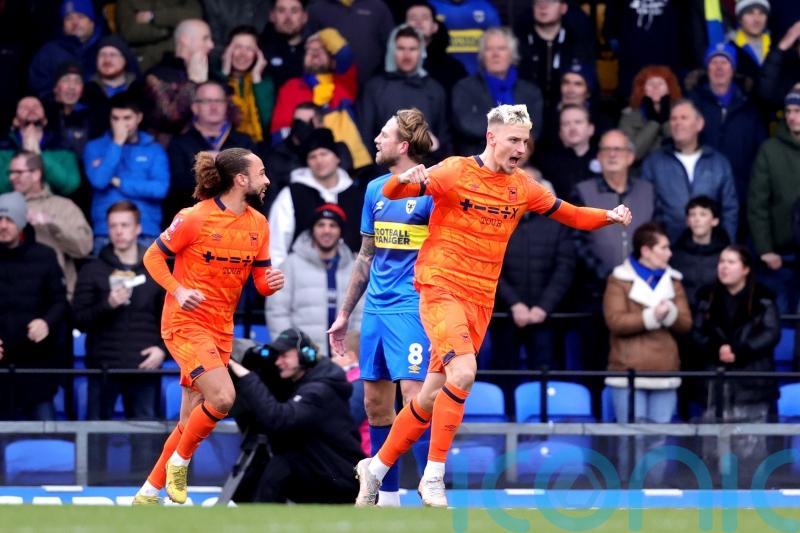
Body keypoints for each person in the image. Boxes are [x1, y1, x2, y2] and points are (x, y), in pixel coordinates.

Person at [352, 103, 632, 507]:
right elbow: (397, 190)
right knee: (464, 372)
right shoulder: (453, 171)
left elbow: (570, 215)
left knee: (430, 395)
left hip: (479, 300)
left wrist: (609, 215)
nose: (520, 148)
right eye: (513, 140)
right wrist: (404, 180)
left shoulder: (523, 187)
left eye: (525, 141)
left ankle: (374, 468)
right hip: (440, 287)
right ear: (492, 137)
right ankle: (433, 477)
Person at [132, 147, 285, 505]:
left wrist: (270, 283)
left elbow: (260, 281)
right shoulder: (194, 217)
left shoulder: (258, 224)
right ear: (241, 179)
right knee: (223, 397)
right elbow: (152, 256)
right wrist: (178, 289)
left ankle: (148, 493)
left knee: (190, 419)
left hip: (221, 327)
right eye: (261, 173)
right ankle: (179, 463)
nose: (267, 180)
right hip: (185, 322)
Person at [328, 109, 435, 507]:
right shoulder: (375, 189)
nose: (376, 139)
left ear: (403, 146)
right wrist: (344, 314)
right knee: (375, 405)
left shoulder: (431, 189)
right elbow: (366, 256)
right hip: (374, 309)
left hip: (413, 307)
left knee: (416, 399)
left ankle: (430, 489)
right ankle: (387, 498)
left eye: (384, 134)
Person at [228, 327, 364, 503]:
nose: (278, 362)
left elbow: (278, 419)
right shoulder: (301, 382)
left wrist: (248, 377)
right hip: (319, 470)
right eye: (277, 356)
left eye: (284, 356)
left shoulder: (319, 390)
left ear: (305, 355)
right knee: (269, 468)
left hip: (339, 478)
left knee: (282, 464)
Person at [603, 222, 691, 482]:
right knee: (631, 436)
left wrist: (670, 313)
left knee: (657, 438)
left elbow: (685, 323)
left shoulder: (673, 280)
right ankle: (628, 496)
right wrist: (653, 315)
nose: (669, 253)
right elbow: (615, 321)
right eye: (664, 248)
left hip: (665, 370)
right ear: (647, 250)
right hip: (627, 371)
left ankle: (653, 495)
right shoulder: (619, 278)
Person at [692, 244, 779, 480]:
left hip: (752, 385)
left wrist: (740, 351)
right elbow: (697, 333)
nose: (724, 267)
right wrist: (716, 349)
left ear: (746, 269)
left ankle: (752, 503)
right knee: (712, 450)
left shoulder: (764, 298)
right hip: (714, 384)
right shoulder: (705, 297)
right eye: (721, 261)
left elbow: (771, 334)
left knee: (751, 451)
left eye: (731, 262)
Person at [72, 200, 165, 420]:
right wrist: (108, 304)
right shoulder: (92, 270)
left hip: (144, 367)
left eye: (125, 225)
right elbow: (78, 319)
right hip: (103, 368)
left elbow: (174, 320)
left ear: (138, 228)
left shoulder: (157, 270)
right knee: (95, 440)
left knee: (145, 442)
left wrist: (162, 350)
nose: (119, 231)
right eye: (113, 226)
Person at [492, 176, 576, 372]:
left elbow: (565, 268)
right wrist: (514, 303)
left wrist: (543, 307)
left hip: (546, 317)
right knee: (504, 374)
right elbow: (489, 265)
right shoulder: (497, 221)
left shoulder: (558, 225)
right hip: (504, 315)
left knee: (546, 376)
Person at [0, 191, 68, 421]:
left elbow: (60, 301)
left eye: (8, 219)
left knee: (44, 436)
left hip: (36, 366)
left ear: (20, 221)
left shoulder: (45, 256)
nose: (2, 225)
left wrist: (46, 322)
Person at [266, 203, 362, 356]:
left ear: (341, 231)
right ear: (312, 229)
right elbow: (277, 312)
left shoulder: (354, 267)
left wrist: (353, 351)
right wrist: (291, 351)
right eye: (321, 225)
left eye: (333, 225)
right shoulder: (290, 264)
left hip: (344, 358)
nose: (327, 230)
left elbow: (361, 314)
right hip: (303, 359)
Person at [269, 28, 371, 169]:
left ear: (332, 61)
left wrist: (322, 36)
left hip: (349, 164)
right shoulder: (291, 87)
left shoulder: (343, 82)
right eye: (310, 50)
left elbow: (344, 52)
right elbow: (280, 131)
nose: (315, 53)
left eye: (322, 49)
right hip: (305, 164)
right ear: (302, 58)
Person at [641, 99, 739, 243]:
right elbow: (646, 210)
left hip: (710, 252)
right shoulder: (654, 162)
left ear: (699, 124)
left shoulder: (718, 163)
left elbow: (730, 210)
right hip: (667, 250)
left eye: (684, 118)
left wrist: (726, 247)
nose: (677, 123)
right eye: (673, 119)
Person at [84, 93, 170, 253]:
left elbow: (160, 189)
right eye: (115, 119)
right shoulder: (95, 147)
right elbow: (99, 181)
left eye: (126, 118)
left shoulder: (154, 149)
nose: (120, 125)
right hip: (107, 232)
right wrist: (117, 143)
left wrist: (119, 182)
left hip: (145, 231)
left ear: (139, 118)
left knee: (148, 278)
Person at [268, 127, 363, 266]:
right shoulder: (291, 195)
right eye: (313, 156)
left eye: (324, 154)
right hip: (302, 280)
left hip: (349, 279)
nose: (319, 160)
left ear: (337, 157)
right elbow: (276, 246)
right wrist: (280, 284)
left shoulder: (357, 195)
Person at [688, 43, 766, 209]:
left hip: (741, 191)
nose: (719, 68)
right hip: (700, 191)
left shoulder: (749, 106)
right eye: (713, 62)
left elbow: (759, 152)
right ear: (706, 68)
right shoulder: (693, 103)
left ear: (733, 68)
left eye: (725, 62)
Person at [165, 81, 256, 223]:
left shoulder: (244, 142)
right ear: (195, 107)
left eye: (218, 101)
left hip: (236, 224)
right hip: (193, 225)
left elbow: (256, 184)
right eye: (207, 101)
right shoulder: (179, 144)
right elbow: (177, 187)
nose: (214, 106)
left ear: (226, 106)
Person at [7, 150, 93, 300]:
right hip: (11, 297)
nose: (12, 177)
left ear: (36, 174)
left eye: (18, 172)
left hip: (55, 297)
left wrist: (53, 223)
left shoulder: (63, 206)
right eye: (11, 172)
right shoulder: (4, 205)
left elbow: (84, 248)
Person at [358, 25, 450, 159]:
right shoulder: (374, 88)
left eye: (412, 49)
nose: (406, 55)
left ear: (421, 52)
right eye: (401, 48)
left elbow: (444, 137)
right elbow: (364, 135)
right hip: (384, 171)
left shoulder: (434, 89)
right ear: (391, 51)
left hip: (427, 171)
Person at [451, 27, 544, 155]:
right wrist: (513, 129)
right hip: (478, 161)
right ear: (482, 56)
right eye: (489, 49)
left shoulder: (529, 91)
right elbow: (468, 125)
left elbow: (534, 131)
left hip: (519, 160)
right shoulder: (465, 88)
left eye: (501, 48)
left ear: (512, 55)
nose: (495, 54)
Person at [748, 90, 800, 313]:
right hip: (781, 256)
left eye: (798, 111)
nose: (791, 116)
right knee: (779, 322)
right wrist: (765, 249)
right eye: (788, 111)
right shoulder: (770, 150)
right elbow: (757, 204)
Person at [513, 0, 595, 109]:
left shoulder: (577, 40)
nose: (543, 6)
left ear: (563, 8)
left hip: (565, 112)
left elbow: (590, 87)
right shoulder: (518, 40)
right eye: (538, 2)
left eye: (550, 2)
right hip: (525, 111)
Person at [142, 18, 214, 140]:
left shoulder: (212, 76)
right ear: (185, 39)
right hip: (171, 153)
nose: (211, 45)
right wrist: (193, 83)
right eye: (205, 38)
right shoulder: (156, 75)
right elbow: (168, 119)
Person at [0, 96, 82, 196]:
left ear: (45, 120)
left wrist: (39, 157)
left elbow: (70, 185)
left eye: (36, 106)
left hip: (52, 206)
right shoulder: (3, 146)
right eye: (24, 107)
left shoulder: (62, 144)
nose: (31, 109)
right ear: (15, 121)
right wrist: (23, 154)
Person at [306, 0, 395, 86]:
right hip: (332, 87)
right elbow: (307, 49)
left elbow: (391, 47)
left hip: (373, 86)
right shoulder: (316, 9)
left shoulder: (378, 6)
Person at [28, 0, 104, 100]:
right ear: (63, 25)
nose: (75, 23)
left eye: (81, 17)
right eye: (69, 18)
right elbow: (39, 88)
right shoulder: (49, 52)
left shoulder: (106, 48)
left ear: (92, 22)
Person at [671, 196, 731, 309]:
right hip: (683, 315)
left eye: (703, 214)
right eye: (692, 214)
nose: (697, 219)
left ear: (715, 221)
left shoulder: (726, 254)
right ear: (687, 221)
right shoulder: (675, 254)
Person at [220, 25, 274, 144]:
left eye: (249, 49)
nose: (242, 54)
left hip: (255, 146)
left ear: (257, 54)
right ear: (227, 50)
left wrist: (256, 78)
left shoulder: (264, 82)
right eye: (237, 47)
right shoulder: (214, 75)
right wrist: (224, 72)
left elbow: (266, 122)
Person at [619, 65, 683, 163]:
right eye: (650, 83)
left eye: (660, 83)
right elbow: (631, 154)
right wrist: (654, 122)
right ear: (642, 88)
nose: (655, 87)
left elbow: (683, 147)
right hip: (640, 174)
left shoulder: (682, 112)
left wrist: (665, 118)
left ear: (669, 87)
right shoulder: (629, 117)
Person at [115, 0, 203, 72]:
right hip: (145, 58)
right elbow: (129, 33)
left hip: (176, 57)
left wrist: (154, 16)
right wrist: (167, 30)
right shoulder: (127, 2)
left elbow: (195, 15)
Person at [404, 1, 468, 96]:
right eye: (413, 18)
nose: (418, 22)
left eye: (424, 18)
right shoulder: (392, 67)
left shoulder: (454, 69)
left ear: (435, 27)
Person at [536, 104, 597, 198]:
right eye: (566, 124)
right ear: (560, 133)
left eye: (578, 122)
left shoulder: (604, 159)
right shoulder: (547, 165)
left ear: (591, 129)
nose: (572, 128)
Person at [428, 0, 501, 75]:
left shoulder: (486, 8)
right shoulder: (430, 6)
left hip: (479, 79)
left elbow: (497, 45)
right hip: (439, 78)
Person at [258, 0, 312, 91]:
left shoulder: (314, 52)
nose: (288, 18)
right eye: (281, 11)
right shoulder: (258, 49)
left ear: (304, 17)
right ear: (272, 16)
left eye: (294, 11)